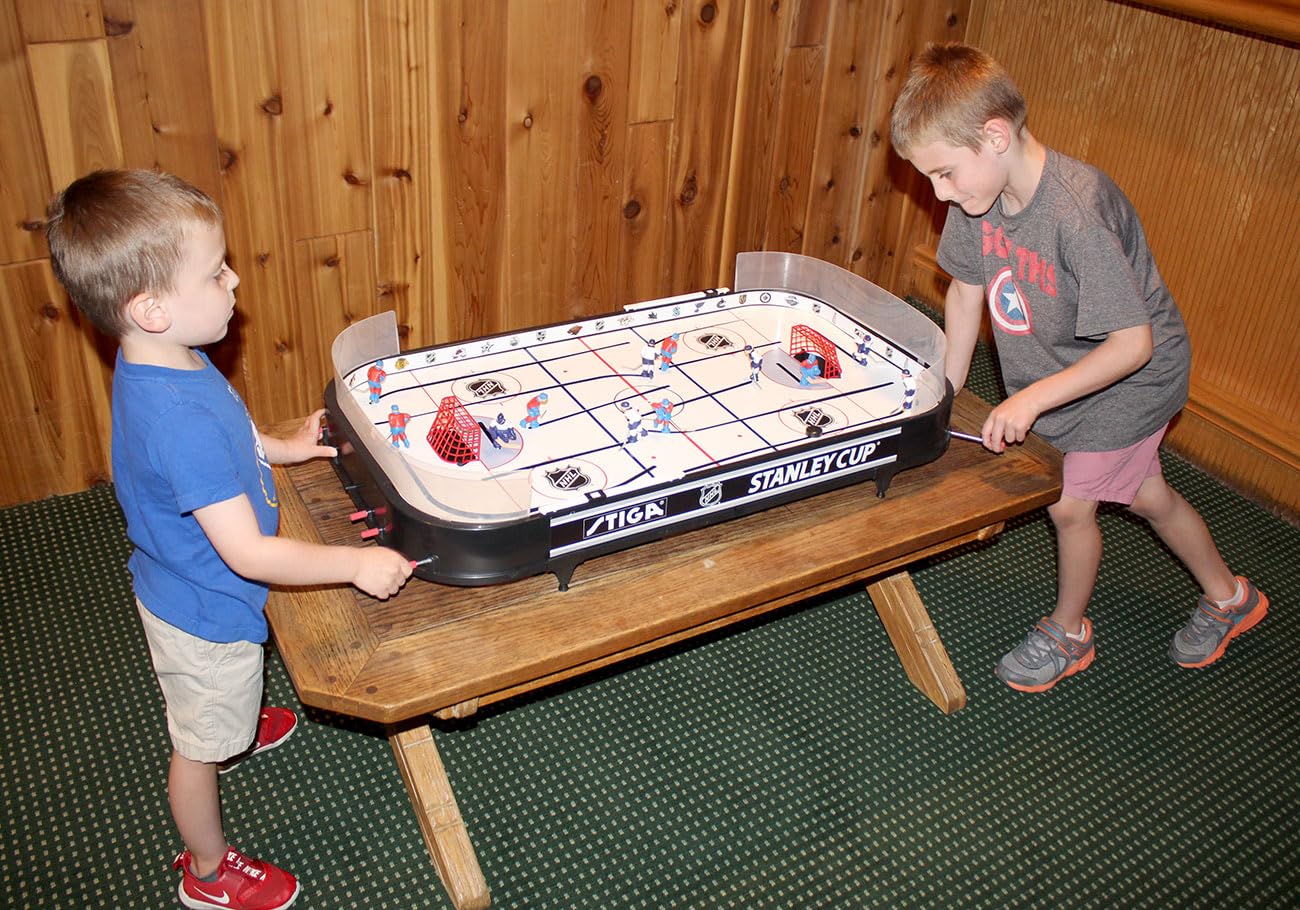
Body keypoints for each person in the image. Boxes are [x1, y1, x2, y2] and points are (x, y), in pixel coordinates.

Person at [45, 169, 413, 909]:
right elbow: (247, 553)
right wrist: (356, 563)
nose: (236, 279)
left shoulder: (171, 357)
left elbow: (232, 435)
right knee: (196, 743)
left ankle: (233, 725)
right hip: (206, 612)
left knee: (222, 707)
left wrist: (284, 447)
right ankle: (207, 871)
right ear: (150, 308)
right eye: (215, 272)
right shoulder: (175, 420)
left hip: (198, 588)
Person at [890, 44, 1267, 692]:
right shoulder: (975, 200)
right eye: (930, 178)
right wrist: (946, 393)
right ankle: (1230, 596)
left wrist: (1032, 401)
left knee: (1070, 504)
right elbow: (963, 293)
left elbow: (1132, 344)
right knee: (1143, 491)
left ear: (995, 135)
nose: (938, 192)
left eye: (945, 174)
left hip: (1134, 377)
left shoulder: (1075, 212)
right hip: (1068, 367)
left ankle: (1069, 634)